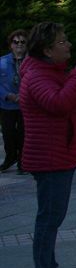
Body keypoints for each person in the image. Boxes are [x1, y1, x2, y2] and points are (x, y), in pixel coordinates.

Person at [20, 22, 76, 268]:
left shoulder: (48, 70)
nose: (69, 45)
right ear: (48, 50)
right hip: (50, 158)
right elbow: (58, 103)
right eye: (63, 42)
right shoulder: (38, 75)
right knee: (49, 219)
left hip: (58, 154)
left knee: (52, 218)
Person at [0, 29, 27, 172]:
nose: (19, 45)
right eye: (16, 42)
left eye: (23, 42)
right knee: (8, 132)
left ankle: (23, 161)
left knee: (23, 134)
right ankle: (10, 157)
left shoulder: (31, 62)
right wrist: (7, 95)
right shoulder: (2, 61)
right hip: (7, 105)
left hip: (25, 105)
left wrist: (24, 94)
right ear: (11, 45)